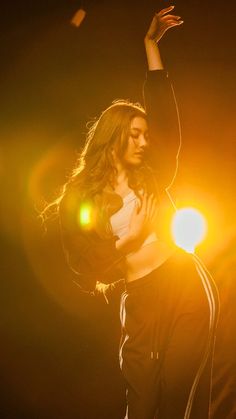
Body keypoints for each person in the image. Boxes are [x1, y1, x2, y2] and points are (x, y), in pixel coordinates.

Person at [47, 5, 219, 419]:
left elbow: (167, 120)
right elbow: (81, 262)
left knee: (178, 389)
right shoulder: (80, 194)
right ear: (114, 139)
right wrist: (130, 239)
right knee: (142, 403)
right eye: (134, 135)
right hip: (139, 298)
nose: (144, 142)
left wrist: (151, 47)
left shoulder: (152, 174)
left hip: (183, 283)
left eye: (146, 134)